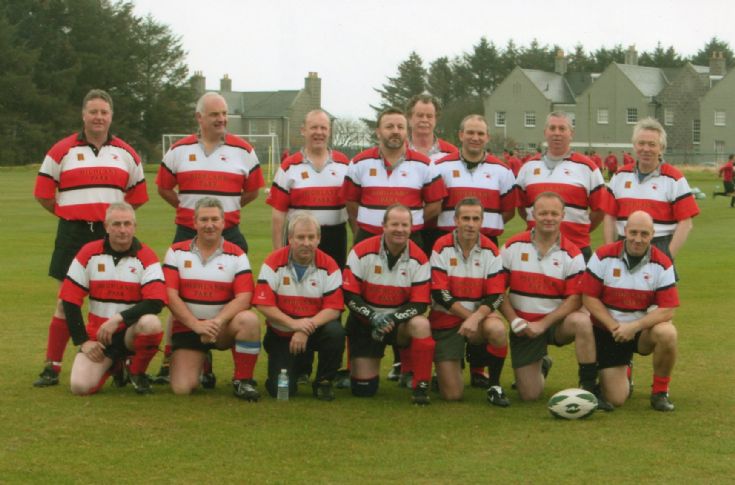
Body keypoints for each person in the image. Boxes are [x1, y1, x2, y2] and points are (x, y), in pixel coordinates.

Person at [33, 89, 148, 387]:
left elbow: (136, 197)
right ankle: (52, 366)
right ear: (83, 115)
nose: (99, 117)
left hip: (111, 234)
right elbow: (44, 195)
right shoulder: (61, 150)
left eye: (104, 112)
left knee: (114, 301)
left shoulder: (126, 153)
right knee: (64, 302)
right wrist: (71, 212)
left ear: (111, 117)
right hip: (72, 232)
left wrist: (114, 223)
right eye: (93, 112)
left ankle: (119, 358)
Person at [154, 92, 264, 384]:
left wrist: (221, 215)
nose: (221, 119)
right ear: (199, 118)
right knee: (181, 297)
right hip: (187, 232)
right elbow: (164, 188)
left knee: (231, 298)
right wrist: (190, 213)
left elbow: (251, 191)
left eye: (224, 114)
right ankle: (172, 358)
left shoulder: (244, 151)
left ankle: (235, 367)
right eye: (215, 114)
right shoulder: (178, 151)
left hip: (228, 233)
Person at [499, 193, 609, 409]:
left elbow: (575, 299)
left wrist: (543, 324)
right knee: (529, 395)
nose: (548, 218)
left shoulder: (573, 253)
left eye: (553, 213)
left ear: (562, 216)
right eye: (543, 213)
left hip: (556, 324)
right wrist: (514, 321)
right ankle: (542, 364)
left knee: (582, 321)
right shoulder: (512, 247)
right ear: (532, 214)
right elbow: (497, 290)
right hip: (524, 326)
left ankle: (588, 387)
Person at [266, 109, 350, 385]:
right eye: (313, 127)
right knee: (299, 298)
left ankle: (330, 367)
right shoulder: (290, 166)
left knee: (332, 301)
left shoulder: (343, 163)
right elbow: (279, 213)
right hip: (300, 240)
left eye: (323, 128)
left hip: (334, 238)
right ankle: (300, 365)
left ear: (329, 131)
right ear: (303, 130)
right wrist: (280, 251)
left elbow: (352, 209)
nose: (319, 132)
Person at [432, 115, 516, 388]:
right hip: (447, 244)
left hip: (485, 246)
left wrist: (483, 230)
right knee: (444, 303)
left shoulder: (502, 171)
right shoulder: (440, 165)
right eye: (470, 132)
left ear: (487, 137)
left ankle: (480, 368)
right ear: (460, 134)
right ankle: (445, 360)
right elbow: (434, 204)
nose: (475, 138)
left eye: (481, 133)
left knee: (484, 306)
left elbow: (508, 210)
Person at [60, 203, 164, 395]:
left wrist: (118, 319)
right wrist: (83, 341)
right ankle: (115, 366)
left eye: (127, 224)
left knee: (151, 323)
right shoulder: (88, 252)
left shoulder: (147, 256)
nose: (122, 230)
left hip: (129, 334)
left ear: (135, 226)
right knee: (80, 387)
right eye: (116, 224)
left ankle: (137, 370)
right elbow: (69, 299)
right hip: (99, 337)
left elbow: (156, 301)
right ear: (106, 226)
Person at [163, 197, 262, 400]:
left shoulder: (238, 255)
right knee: (182, 388)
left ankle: (243, 380)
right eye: (204, 219)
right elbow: (169, 295)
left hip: (221, 328)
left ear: (224, 223)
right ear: (194, 222)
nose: (210, 225)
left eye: (215, 219)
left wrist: (217, 322)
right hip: (189, 328)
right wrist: (195, 325)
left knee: (249, 320)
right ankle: (203, 361)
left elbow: (245, 297)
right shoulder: (175, 252)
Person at [582, 211, 679, 411]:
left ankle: (660, 392)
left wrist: (633, 327)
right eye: (633, 232)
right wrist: (614, 326)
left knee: (667, 332)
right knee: (616, 399)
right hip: (610, 331)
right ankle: (624, 368)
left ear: (652, 234)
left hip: (641, 331)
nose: (638, 239)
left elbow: (668, 309)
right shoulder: (602, 255)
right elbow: (589, 298)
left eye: (644, 234)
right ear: (624, 231)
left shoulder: (663, 263)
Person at [342, 204, 435, 405]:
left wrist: (391, 319)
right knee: (363, 389)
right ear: (383, 225)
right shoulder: (361, 250)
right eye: (394, 224)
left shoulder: (419, 258)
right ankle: (359, 371)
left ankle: (419, 384)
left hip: (399, 324)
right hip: (366, 322)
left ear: (411, 228)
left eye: (404, 225)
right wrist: (372, 316)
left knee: (421, 324)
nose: (399, 229)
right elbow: (349, 295)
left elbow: (420, 304)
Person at [253, 211, 345, 400]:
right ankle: (296, 366)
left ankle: (324, 382)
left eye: (311, 237)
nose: (306, 242)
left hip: (315, 331)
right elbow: (263, 305)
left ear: (318, 239)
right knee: (279, 390)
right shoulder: (273, 262)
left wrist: (304, 328)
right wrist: (293, 325)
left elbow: (334, 308)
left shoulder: (330, 264)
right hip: (281, 334)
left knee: (336, 332)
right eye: (300, 237)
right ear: (290, 238)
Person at [429, 198, 508, 405]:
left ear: (482, 221)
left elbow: (496, 295)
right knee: (453, 395)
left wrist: (476, 318)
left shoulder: (491, 250)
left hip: (478, 320)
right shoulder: (440, 246)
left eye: (475, 219)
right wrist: (470, 318)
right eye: (465, 218)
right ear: (456, 220)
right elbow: (439, 293)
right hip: (446, 320)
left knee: (498, 329)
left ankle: (495, 385)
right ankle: (444, 367)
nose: (470, 224)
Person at [343, 107, 447, 246]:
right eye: (389, 127)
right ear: (378, 132)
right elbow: (351, 202)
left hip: (409, 238)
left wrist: (410, 221)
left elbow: (435, 205)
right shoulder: (358, 162)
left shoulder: (425, 164)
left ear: (406, 131)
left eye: (400, 127)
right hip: (368, 237)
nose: (395, 131)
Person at [515, 111, 609, 261]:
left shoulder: (588, 167)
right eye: (552, 128)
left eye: (562, 129)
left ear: (571, 133)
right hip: (535, 247)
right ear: (545, 132)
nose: (556, 133)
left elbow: (600, 210)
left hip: (576, 248)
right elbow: (522, 207)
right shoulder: (528, 167)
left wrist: (579, 230)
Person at [602, 118, 699, 262]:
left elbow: (686, 223)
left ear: (661, 148)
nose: (646, 149)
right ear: (634, 146)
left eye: (652, 144)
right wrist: (610, 251)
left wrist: (667, 258)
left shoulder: (675, 179)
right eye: (641, 143)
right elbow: (609, 217)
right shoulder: (619, 176)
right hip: (622, 245)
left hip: (659, 246)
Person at [405, 94, 459, 255]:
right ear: (409, 118)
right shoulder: (398, 152)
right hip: (407, 229)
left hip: (441, 229)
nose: (424, 120)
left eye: (429, 116)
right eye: (419, 115)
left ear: (436, 119)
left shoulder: (452, 153)